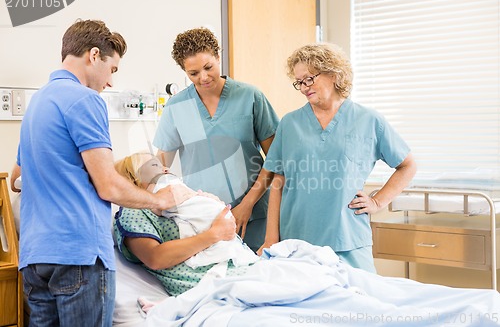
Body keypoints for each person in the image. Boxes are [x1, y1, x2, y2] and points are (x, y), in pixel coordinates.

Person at [13, 19, 194, 327]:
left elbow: (17, 178)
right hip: (79, 256)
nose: (110, 82)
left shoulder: (38, 103)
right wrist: (159, 201)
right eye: (113, 70)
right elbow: (109, 187)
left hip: (35, 258)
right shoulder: (85, 100)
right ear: (94, 55)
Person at [114, 205, 500, 327]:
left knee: (378, 292)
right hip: (227, 285)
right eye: (149, 167)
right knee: (364, 311)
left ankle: (478, 310)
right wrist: (213, 233)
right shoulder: (133, 215)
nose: (161, 172)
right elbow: (156, 258)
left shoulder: (188, 205)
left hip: (259, 268)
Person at [258, 43, 417, 272]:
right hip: (297, 243)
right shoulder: (290, 124)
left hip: (348, 241)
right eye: (299, 82)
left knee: (361, 303)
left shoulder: (369, 120)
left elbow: (407, 165)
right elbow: (278, 183)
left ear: (333, 74)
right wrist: (271, 239)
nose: (304, 88)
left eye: (309, 79)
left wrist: (377, 201)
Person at [153, 27, 280, 252]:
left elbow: (276, 160)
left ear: (218, 57)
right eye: (193, 73)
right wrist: (141, 194)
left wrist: (248, 204)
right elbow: (160, 164)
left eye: (208, 67)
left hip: (254, 215)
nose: (203, 78)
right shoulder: (176, 107)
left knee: (258, 280)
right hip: (204, 218)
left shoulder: (250, 96)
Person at [114, 152, 259, 269]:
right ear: (134, 181)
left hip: (236, 262)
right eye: (154, 166)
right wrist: (214, 234)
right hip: (206, 276)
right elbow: (155, 258)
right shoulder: (133, 212)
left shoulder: (177, 196)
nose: (166, 169)